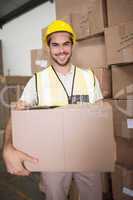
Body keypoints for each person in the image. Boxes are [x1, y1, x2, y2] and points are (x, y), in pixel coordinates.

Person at [3, 20, 103, 200]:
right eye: (55, 45)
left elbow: (101, 115)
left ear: (73, 45)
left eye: (66, 44)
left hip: (86, 153)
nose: (61, 50)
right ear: (48, 48)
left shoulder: (89, 78)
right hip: (53, 158)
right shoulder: (37, 81)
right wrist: (7, 146)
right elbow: (16, 115)